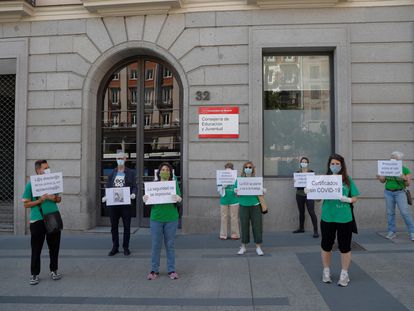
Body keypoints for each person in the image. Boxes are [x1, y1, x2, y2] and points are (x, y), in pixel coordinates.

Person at [317, 154, 359, 287]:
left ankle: (344, 273)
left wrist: (348, 199)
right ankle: (326, 270)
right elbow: (318, 198)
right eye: (332, 164)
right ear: (329, 165)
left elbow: (355, 197)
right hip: (328, 217)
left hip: (344, 218)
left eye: (337, 164)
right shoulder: (324, 179)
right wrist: (310, 192)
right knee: (326, 245)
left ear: (341, 165)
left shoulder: (347, 180)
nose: (335, 166)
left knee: (345, 246)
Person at [22, 160, 63, 285]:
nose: (48, 169)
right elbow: (26, 204)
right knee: (36, 248)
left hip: (53, 217)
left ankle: (54, 270)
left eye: (48, 167)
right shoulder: (30, 185)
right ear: (38, 170)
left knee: (54, 247)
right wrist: (41, 200)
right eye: (45, 168)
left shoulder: (52, 181)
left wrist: (53, 198)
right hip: (37, 220)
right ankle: (34, 274)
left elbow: (59, 199)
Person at [143, 162, 182, 280]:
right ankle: (154, 270)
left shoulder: (174, 184)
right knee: (156, 245)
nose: (165, 172)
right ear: (159, 172)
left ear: (170, 173)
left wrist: (179, 198)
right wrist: (145, 199)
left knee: (170, 245)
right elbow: (148, 201)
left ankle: (171, 270)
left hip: (171, 218)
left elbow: (179, 200)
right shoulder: (154, 185)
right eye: (163, 170)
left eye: (167, 170)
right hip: (156, 218)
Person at [102, 151, 137, 256]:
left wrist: (133, 194)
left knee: (127, 226)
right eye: (118, 158)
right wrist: (105, 196)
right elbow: (108, 187)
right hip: (114, 204)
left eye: (122, 158)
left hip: (126, 204)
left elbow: (135, 186)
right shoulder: (112, 173)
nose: (120, 160)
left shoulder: (130, 172)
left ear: (125, 159)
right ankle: (115, 247)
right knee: (114, 227)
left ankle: (126, 247)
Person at [376, 151, 414, 241]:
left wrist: (404, 178)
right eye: (391, 157)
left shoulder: (404, 169)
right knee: (390, 213)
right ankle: (391, 231)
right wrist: (380, 178)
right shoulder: (386, 167)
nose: (392, 159)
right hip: (388, 192)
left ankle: (412, 231)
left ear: (399, 160)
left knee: (405, 212)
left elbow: (408, 183)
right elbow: (383, 181)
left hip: (400, 192)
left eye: (395, 158)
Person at [236, 161, 265, 256]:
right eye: (246, 167)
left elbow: (260, 191)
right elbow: (236, 192)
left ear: (252, 169)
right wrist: (235, 191)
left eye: (250, 167)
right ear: (244, 169)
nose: (248, 169)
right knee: (244, 226)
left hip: (255, 205)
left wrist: (263, 190)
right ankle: (243, 247)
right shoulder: (239, 180)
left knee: (257, 226)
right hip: (243, 205)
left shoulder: (256, 180)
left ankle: (258, 247)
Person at [293, 157, 319, 238]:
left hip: (309, 195)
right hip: (299, 194)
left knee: (311, 212)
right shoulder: (297, 173)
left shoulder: (311, 172)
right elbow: (296, 185)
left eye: (305, 162)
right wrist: (294, 181)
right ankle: (301, 228)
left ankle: (316, 231)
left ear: (308, 163)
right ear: (300, 163)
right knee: (301, 212)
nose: (303, 163)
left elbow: (314, 184)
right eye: (302, 162)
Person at [217, 162, 240, 240]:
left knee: (234, 218)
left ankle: (235, 234)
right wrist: (223, 186)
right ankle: (223, 235)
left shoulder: (236, 178)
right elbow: (218, 189)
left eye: (229, 170)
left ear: (232, 170)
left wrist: (237, 190)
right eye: (226, 170)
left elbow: (238, 189)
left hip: (234, 200)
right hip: (224, 200)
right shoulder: (221, 177)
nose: (228, 172)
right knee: (223, 217)